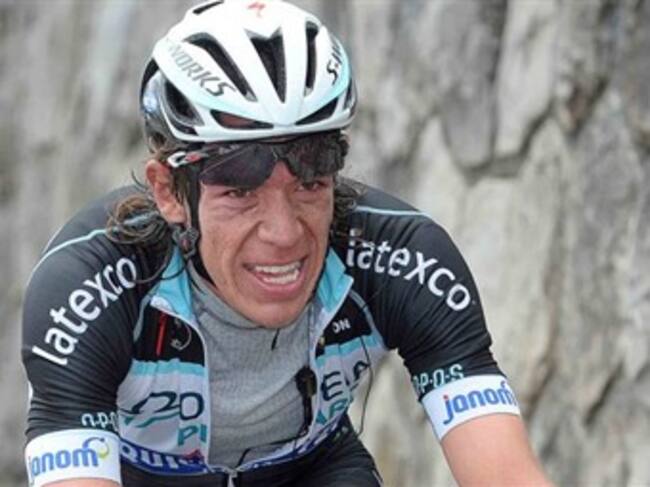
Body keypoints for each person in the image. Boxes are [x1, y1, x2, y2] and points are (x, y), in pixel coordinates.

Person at [21, 1, 553, 486]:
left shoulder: (402, 258)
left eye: (311, 180)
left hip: (310, 470)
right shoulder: (90, 284)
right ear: (169, 192)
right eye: (239, 190)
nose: (284, 233)